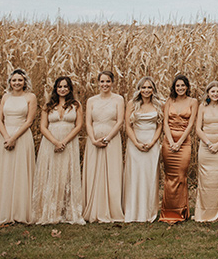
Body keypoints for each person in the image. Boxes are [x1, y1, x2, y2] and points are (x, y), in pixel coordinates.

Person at [34, 75, 84, 225]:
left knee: (66, 174)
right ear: (56, 89)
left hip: (69, 143)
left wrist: (64, 142)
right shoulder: (48, 106)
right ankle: (49, 211)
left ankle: (67, 211)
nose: (62, 89)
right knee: (51, 174)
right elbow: (43, 127)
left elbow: (78, 126)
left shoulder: (76, 105)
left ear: (69, 89)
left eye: (65, 87)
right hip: (50, 143)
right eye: (60, 86)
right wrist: (55, 142)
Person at [0, 68, 37, 225]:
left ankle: (20, 211)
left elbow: (29, 121)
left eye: (20, 80)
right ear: (10, 82)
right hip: (5, 136)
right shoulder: (5, 97)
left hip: (22, 136)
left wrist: (14, 138)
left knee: (21, 171)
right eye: (14, 80)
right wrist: (6, 137)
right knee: (6, 171)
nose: (17, 83)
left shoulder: (30, 97)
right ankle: (3, 211)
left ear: (25, 82)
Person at [83, 70, 125, 222]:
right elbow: (88, 122)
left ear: (113, 83)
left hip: (112, 140)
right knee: (94, 172)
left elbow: (120, 121)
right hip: (93, 141)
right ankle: (94, 208)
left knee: (111, 173)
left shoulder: (118, 99)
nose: (105, 84)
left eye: (108, 81)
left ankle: (112, 209)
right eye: (102, 81)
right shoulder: (91, 101)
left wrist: (107, 138)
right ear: (98, 83)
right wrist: (93, 139)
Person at [122, 76, 163, 222]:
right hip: (135, 143)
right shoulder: (132, 104)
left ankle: (148, 212)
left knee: (149, 177)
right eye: (143, 87)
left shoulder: (158, 104)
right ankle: (133, 212)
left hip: (152, 144)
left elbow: (160, 126)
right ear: (139, 89)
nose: (146, 90)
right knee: (135, 177)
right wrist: (136, 143)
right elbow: (128, 125)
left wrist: (153, 142)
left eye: (149, 88)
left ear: (153, 90)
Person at [160, 74, 198, 222]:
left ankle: (181, 212)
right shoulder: (169, 101)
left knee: (181, 176)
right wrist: (170, 141)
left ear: (187, 87)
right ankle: (167, 212)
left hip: (184, 142)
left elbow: (191, 124)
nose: (180, 88)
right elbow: (165, 123)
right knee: (169, 176)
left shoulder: (193, 101)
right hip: (168, 142)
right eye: (177, 86)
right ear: (174, 88)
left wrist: (180, 142)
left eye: (183, 85)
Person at [195, 81, 218, 222]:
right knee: (205, 179)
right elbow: (198, 128)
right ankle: (203, 213)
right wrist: (209, 143)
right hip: (205, 146)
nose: (215, 94)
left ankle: (217, 213)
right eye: (212, 92)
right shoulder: (202, 107)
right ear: (208, 93)